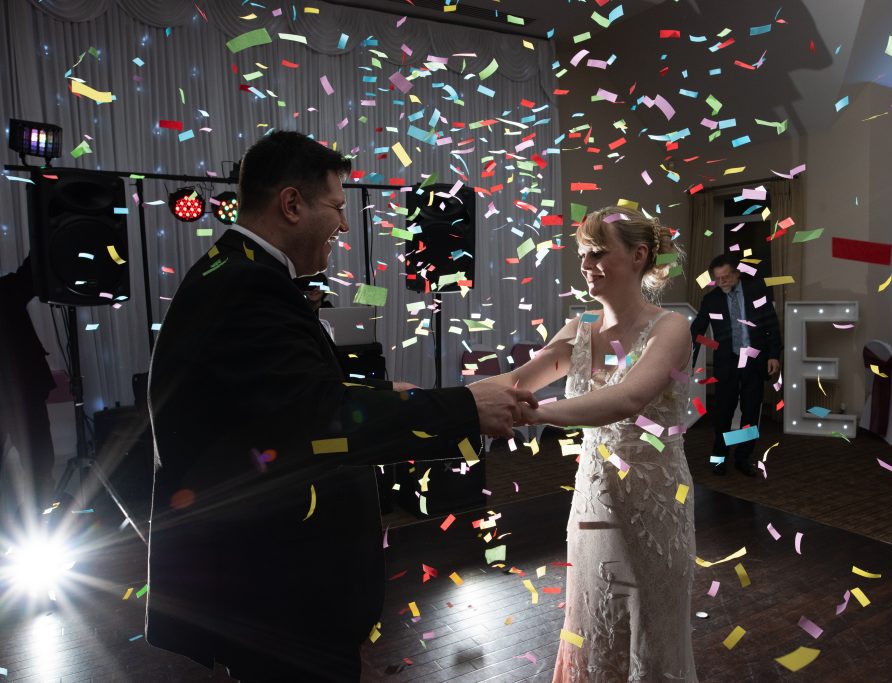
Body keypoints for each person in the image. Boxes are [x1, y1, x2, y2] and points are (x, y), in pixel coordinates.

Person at [146, 131, 535, 682]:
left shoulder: (234, 269)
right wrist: (465, 407)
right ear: (291, 203)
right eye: (336, 206)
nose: (344, 225)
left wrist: (389, 393)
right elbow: (320, 421)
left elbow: (284, 399)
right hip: (278, 584)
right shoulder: (249, 286)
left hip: (267, 578)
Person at [483, 206, 698, 681]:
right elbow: (517, 380)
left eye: (599, 253)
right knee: (595, 623)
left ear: (639, 256)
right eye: (583, 253)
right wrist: (451, 403)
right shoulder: (577, 331)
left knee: (653, 629)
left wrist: (535, 414)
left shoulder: (671, 328)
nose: (586, 265)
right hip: (594, 503)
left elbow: (629, 396)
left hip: (656, 503)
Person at [689, 253, 781, 477]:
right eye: (717, 279)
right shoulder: (711, 300)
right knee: (723, 414)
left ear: (737, 273)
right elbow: (697, 330)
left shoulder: (756, 292)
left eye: (726, 277)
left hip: (754, 362)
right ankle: (719, 458)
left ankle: (743, 458)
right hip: (727, 364)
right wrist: (712, 345)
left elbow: (771, 325)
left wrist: (774, 355)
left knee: (750, 413)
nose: (722, 282)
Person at [0, 254, 57, 525]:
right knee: (39, 463)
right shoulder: (7, 292)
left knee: (39, 463)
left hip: (24, 392)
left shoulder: (6, 292)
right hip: (23, 391)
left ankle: (40, 523)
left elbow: (32, 274)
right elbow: (31, 275)